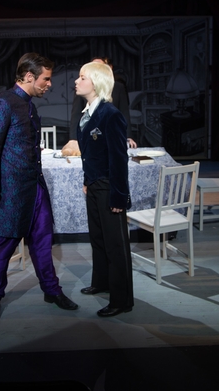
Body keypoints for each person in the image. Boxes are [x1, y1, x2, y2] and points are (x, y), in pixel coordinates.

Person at [0, 52, 78, 322]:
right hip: (10, 192)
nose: (50, 84)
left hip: (35, 187)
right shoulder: (3, 104)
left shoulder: (29, 105)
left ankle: (51, 290)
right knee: (3, 246)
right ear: (30, 76)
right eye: (46, 79)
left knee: (43, 242)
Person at [75, 61, 134, 317]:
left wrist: (119, 196)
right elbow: (90, 155)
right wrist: (87, 180)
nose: (76, 81)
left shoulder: (110, 115)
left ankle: (122, 300)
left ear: (96, 83)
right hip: (94, 185)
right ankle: (101, 282)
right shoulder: (87, 114)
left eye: (82, 77)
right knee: (98, 238)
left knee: (115, 244)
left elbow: (119, 159)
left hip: (110, 187)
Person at [63, 56, 137, 155]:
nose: (76, 81)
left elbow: (124, 112)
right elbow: (76, 114)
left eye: (83, 78)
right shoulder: (86, 111)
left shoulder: (111, 112)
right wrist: (74, 139)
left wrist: (127, 136)